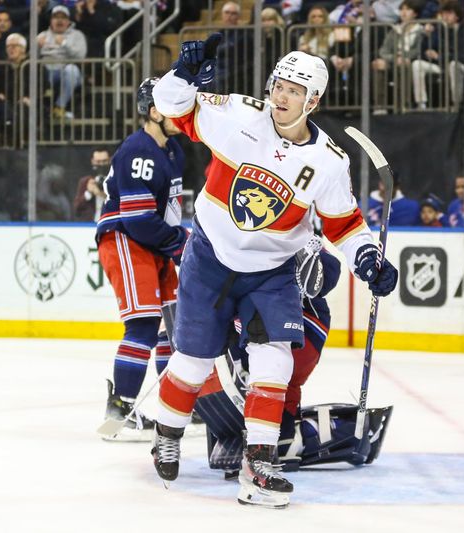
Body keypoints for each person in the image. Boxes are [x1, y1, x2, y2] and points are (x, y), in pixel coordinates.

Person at [150, 37, 398, 508]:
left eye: (293, 90)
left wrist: (366, 257)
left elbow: (344, 222)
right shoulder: (239, 115)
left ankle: (259, 464)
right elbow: (173, 109)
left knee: (275, 361)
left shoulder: (328, 161)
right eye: (278, 85)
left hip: (271, 270)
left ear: (313, 101)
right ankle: (167, 433)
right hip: (210, 255)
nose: (281, 96)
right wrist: (181, 73)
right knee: (192, 362)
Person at [197, 240, 393, 476]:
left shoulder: (298, 236)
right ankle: (283, 437)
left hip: (302, 327)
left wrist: (307, 258)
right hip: (283, 326)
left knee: (270, 375)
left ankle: (276, 436)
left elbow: (329, 273)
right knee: (272, 380)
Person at [95, 77, 188, 441]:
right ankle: (119, 412)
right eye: (172, 107)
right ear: (153, 111)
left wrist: (176, 242)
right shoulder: (139, 149)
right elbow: (137, 220)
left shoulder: (172, 151)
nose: (180, 114)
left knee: (173, 327)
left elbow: (166, 214)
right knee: (145, 325)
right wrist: (179, 243)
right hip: (126, 237)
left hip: (153, 241)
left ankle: (173, 408)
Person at [371, 0, 424, 111]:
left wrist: (406, 58)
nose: (404, 12)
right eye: (402, 9)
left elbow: (418, 50)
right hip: (394, 60)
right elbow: (384, 51)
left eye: (408, 9)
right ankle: (380, 107)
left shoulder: (420, 30)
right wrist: (394, 59)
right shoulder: (395, 30)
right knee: (378, 65)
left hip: (410, 61)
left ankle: (404, 105)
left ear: (415, 13)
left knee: (405, 65)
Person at [37, 5, 88, 120]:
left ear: (68, 21)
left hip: (67, 71)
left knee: (71, 70)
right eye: (56, 17)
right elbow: (29, 58)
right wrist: (36, 47)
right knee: (39, 71)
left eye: (63, 18)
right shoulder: (42, 36)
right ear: (51, 21)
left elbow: (81, 56)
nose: (59, 21)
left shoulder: (77, 35)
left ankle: (59, 106)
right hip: (46, 72)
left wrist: (64, 44)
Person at [73, 147, 111, 221]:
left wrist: (100, 193)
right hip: (89, 226)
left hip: (110, 223)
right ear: (92, 161)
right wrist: (88, 193)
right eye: (98, 162)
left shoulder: (116, 180)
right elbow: (76, 208)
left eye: (104, 161)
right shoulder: (85, 181)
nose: (101, 165)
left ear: (110, 160)